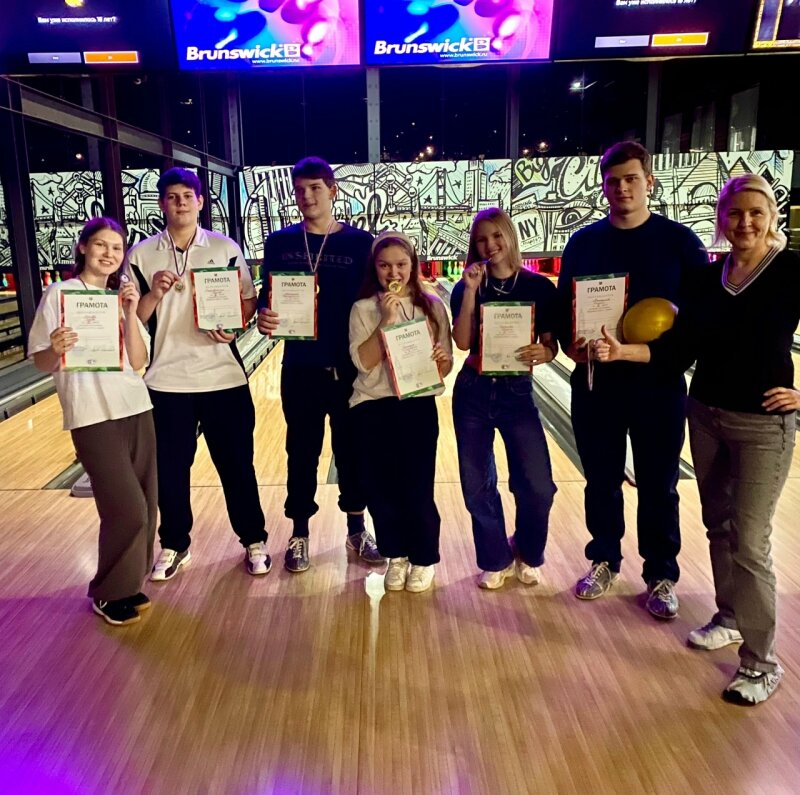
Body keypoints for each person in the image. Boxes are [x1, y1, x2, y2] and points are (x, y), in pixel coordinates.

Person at [594, 173, 799, 705]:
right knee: (719, 526)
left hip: (763, 426)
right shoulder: (710, 279)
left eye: (756, 212)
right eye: (735, 213)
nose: (745, 222)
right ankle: (729, 617)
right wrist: (621, 352)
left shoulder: (791, 271)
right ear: (721, 219)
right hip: (706, 415)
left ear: (772, 217)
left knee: (750, 540)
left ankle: (761, 662)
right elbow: (676, 350)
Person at [556, 141, 708, 619]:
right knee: (601, 480)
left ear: (649, 182)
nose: (622, 188)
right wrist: (572, 346)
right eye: (613, 180)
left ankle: (661, 573)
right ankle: (604, 559)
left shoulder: (680, 243)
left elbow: (696, 325)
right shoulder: (583, 243)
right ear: (604, 186)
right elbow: (564, 312)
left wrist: (640, 352)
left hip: (657, 387)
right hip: (596, 383)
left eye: (631, 179)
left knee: (659, 484)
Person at [129, 168, 270, 580]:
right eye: (172, 197)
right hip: (165, 381)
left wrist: (235, 325)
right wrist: (153, 292)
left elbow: (247, 303)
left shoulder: (224, 247)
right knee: (171, 471)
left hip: (223, 378)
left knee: (237, 466)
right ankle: (175, 544)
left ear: (200, 202)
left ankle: (254, 539)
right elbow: (133, 317)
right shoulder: (141, 255)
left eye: (187, 196)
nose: (180, 203)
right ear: (162, 204)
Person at [28, 217, 157, 626]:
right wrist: (54, 348)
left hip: (135, 407)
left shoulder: (120, 298)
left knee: (146, 503)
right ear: (83, 247)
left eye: (117, 248)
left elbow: (138, 361)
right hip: (91, 413)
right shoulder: (60, 294)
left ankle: (128, 583)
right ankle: (108, 592)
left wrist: (131, 312)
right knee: (127, 508)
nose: (109, 254)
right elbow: (42, 362)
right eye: (101, 245)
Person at [256, 156, 382, 573]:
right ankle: (299, 533)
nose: (307, 196)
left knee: (353, 453)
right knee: (301, 453)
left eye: (315, 188)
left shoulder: (361, 243)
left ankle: (356, 529)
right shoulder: (279, 243)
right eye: (300, 190)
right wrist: (264, 317)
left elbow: (379, 299)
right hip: (300, 368)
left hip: (350, 370)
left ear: (332, 190)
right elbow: (267, 300)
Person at [451, 208, 558, 590]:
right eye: (481, 239)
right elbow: (462, 341)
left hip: (516, 394)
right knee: (477, 485)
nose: (490, 245)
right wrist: (469, 292)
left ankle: (527, 550)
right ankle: (495, 557)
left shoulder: (539, 287)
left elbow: (551, 346)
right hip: (473, 391)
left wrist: (545, 353)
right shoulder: (466, 287)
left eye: (496, 235)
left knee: (538, 486)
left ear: (510, 236)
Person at [348, 231, 453, 593]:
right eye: (384, 265)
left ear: (413, 265)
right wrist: (386, 321)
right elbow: (363, 364)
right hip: (372, 406)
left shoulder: (433, 307)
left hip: (417, 405)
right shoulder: (363, 309)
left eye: (401, 264)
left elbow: (445, 365)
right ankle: (396, 555)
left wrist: (442, 359)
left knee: (417, 486)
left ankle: (423, 558)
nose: (393, 272)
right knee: (380, 489)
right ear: (374, 267)